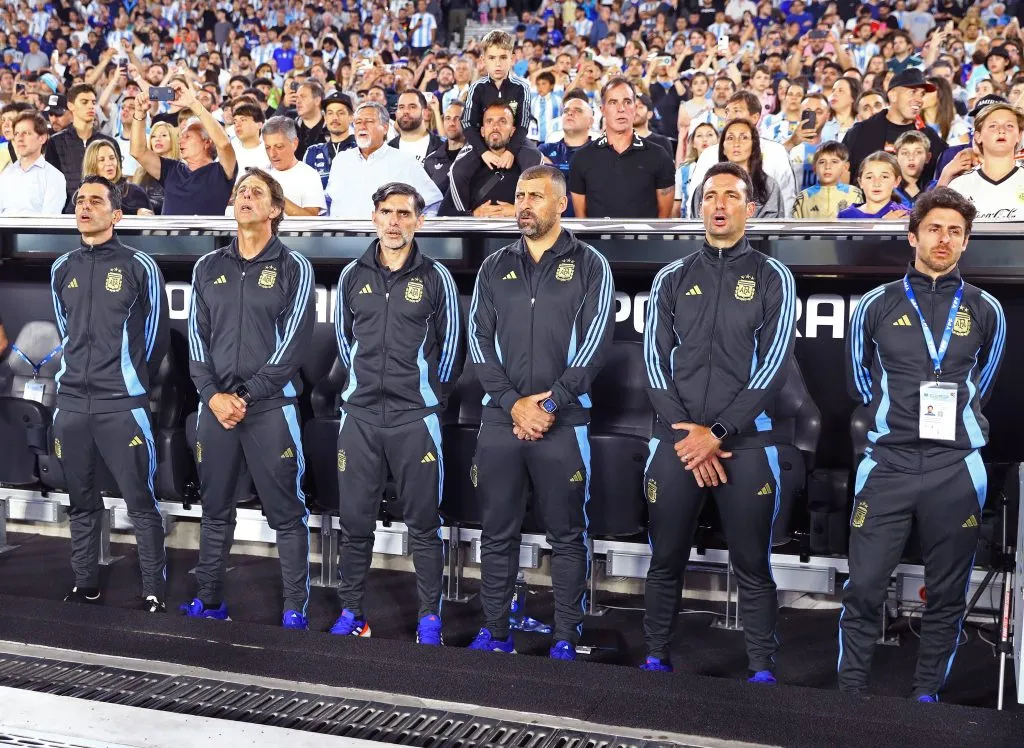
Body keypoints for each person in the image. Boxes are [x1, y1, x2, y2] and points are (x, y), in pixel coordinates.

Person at [840, 187, 1005, 701]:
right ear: (913, 235)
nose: (944, 238)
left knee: (947, 592)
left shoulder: (986, 309)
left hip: (954, 468)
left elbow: (985, 384)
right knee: (864, 587)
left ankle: (927, 693)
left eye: (955, 231)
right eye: (934, 228)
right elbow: (858, 383)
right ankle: (848, 691)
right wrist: (899, 422)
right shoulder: (877, 303)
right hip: (887, 464)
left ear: (966, 242)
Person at [641, 161, 796, 678]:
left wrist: (719, 434)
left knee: (752, 565)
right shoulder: (670, 278)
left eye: (732, 195)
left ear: (750, 208)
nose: (720, 204)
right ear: (698, 205)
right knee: (665, 559)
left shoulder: (774, 277)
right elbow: (654, 364)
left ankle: (762, 668)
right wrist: (691, 437)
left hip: (745, 444)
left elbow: (772, 367)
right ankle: (655, 655)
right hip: (678, 441)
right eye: (711, 196)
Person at [467, 165, 614, 659]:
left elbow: (594, 348)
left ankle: (565, 637)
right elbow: (479, 345)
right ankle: (496, 630)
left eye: (535, 196)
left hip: (563, 421)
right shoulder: (493, 267)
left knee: (567, 536)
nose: (523, 204)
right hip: (501, 422)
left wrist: (548, 404)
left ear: (561, 204)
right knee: (497, 532)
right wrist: (513, 404)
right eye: (519, 195)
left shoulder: (591, 264)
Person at [330, 182, 463, 642]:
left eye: (404, 214)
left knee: (424, 524)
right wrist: (362, 388)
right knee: (355, 523)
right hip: (361, 417)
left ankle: (430, 619)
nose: (394, 222)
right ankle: (352, 613)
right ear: (374, 217)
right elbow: (345, 343)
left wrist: (428, 397)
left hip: (414, 418)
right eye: (386, 212)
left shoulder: (436, 277)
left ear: (419, 221)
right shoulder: (351, 275)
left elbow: (451, 350)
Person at [183, 167, 315, 629]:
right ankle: (210, 599)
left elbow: (293, 345)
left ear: (275, 210)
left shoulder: (293, 266)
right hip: (215, 409)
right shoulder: (207, 267)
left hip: (270, 410)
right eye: (241, 191)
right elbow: (196, 340)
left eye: (256, 192)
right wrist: (213, 396)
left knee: (286, 513)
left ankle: (296, 607)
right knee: (215, 509)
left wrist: (242, 395)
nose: (245, 197)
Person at [49, 175, 169, 611]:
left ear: (116, 214)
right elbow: (67, 334)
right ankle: (86, 584)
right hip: (72, 405)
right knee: (80, 501)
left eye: (96, 201)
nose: (85, 207)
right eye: (80, 200)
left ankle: (153, 589)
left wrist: (131, 384)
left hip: (122, 404)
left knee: (141, 502)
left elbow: (154, 340)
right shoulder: (62, 268)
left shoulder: (141, 266)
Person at [567, 78, 675, 218]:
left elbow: (664, 218)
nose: (621, 109)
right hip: (595, 240)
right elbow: (581, 217)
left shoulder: (659, 155)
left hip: (645, 240)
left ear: (635, 108)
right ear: (603, 110)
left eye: (627, 102)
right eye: (613, 102)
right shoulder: (581, 158)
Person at [130, 80, 238, 216]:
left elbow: (224, 144)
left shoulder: (220, 172)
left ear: (207, 142)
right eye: (181, 136)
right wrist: (139, 113)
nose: (180, 140)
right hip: (167, 236)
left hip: (206, 237)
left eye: (187, 136)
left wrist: (192, 103)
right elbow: (138, 151)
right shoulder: (172, 170)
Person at [453, 31, 533, 205]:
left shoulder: (522, 87)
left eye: (503, 57)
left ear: (512, 58)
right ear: (483, 60)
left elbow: (523, 123)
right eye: (492, 58)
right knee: (456, 171)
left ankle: (530, 209)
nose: (498, 63)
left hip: (515, 140)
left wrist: (511, 150)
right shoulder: (476, 87)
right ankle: (465, 215)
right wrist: (484, 152)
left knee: (536, 164)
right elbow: (467, 123)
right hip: (482, 141)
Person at [688, 91, 798, 216]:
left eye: (736, 110)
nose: (729, 116)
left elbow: (787, 199)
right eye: (727, 111)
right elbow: (695, 203)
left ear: (755, 117)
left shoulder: (776, 153)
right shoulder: (708, 155)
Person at [326, 103, 443, 219]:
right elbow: (329, 201)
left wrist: (418, 233)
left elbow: (432, 203)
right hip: (341, 235)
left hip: (384, 236)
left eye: (369, 121)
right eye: (358, 122)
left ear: (385, 128)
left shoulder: (405, 162)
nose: (362, 126)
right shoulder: (341, 160)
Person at [843, 69, 947, 184]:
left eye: (922, 94)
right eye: (913, 92)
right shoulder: (860, 133)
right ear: (892, 96)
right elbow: (842, 176)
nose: (919, 100)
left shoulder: (929, 136)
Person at [442, 101, 543, 216]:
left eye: (502, 121)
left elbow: (551, 210)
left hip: (519, 233)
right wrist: (473, 214)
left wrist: (518, 212)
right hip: (477, 233)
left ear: (513, 131)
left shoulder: (528, 165)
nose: (495, 127)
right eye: (489, 121)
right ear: (482, 131)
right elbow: (444, 214)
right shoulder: (467, 168)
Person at [45, 84, 121, 211]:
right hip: (67, 214)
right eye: (84, 102)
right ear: (71, 106)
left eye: (93, 102)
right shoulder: (55, 142)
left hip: (103, 211)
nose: (91, 106)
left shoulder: (109, 143)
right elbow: (52, 183)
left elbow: (117, 181)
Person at [691, 119, 785, 218]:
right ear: (723, 148)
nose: (736, 143)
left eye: (744, 137)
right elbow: (696, 227)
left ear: (753, 145)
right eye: (730, 138)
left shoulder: (769, 186)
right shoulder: (706, 186)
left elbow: (773, 228)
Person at [948, 102, 1024, 221]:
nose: (1001, 130)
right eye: (993, 126)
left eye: (1009, 126)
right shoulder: (959, 186)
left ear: (1019, 135)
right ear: (978, 136)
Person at [537, 91, 594, 218]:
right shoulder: (544, 149)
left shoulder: (600, 151)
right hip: (549, 223)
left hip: (588, 226)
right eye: (566, 110)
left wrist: (553, 169)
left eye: (578, 110)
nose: (570, 113)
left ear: (590, 122)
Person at [0, 112, 66, 215]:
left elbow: (49, 222)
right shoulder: (6, 174)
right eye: (16, 133)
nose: (20, 139)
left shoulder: (54, 177)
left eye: (26, 133)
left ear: (42, 138)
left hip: (36, 231)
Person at [260, 116, 327, 216]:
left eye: (279, 147)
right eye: (267, 147)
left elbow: (311, 219)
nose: (272, 154)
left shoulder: (309, 176)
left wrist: (275, 196)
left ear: (294, 144)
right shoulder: (261, 174)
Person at [792, 141, 864, 219]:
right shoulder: (803, 197)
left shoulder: (854, 194)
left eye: (834, 162)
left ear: (845, 167)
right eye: (822, 162)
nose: (827, 166)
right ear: (814, 168)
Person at [81, 140, 153, 215]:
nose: (109, 163)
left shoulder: (136, 192)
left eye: (112, 158)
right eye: (101, 160)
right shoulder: (82, 195)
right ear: (91, 165)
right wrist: (134, 212)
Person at [304, 93, 357, 190]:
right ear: (325, 117)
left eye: (340, 113)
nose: (335, 118)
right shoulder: (312, 152)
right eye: (330, 113)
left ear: (351, 117)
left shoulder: (361, 150)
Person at [839, 152, 909, 220]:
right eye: (869, 177)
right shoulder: (845, 216)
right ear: (860, 182)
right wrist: (884, 225)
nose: (876, 183)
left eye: (884, 177)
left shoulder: (905, 214)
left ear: (896, 181)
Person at [131, 122, 177, 216]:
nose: (158, 139)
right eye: (153, 136)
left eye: (163, 135)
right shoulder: (140, 171)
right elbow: (132, 202)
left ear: (173, 140)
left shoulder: (181, 170)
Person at [675, 122, 719, 218]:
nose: (704, 139)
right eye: (699, 136)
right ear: (693, 143)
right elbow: (677, 202)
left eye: (710, 135)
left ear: (718, 140)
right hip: (689, 224)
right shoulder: (683, 170)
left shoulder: (727, 167)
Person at [389, 90, 444, 163]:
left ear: (424, 113)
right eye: (401, 107)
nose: (406, 111)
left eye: (412, 107)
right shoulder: (388, 149)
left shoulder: (442, 148)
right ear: (396, 114)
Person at [423, 101, 467, 193]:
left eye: (457, 118)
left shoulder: (478, 157)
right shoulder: (431, 160)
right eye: (448, 118)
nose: (452, 123)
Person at [230, 101, 272, 176]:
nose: (237, 125)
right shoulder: (229, 148)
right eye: (235, 121)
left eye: (243, 120)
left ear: (259, 125)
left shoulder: (270, 150)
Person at [892, 131, 932, 206]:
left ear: (928, 157)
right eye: (905, 153)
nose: (911, 158)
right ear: (896, 158)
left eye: (918, 152)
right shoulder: (888, 189)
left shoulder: (935, 187)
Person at [293, 80, 327, 159]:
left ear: (317, 100)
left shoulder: (331, 128)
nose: (298, 101)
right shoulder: (290, 129)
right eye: (297, 97)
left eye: (303, 97)